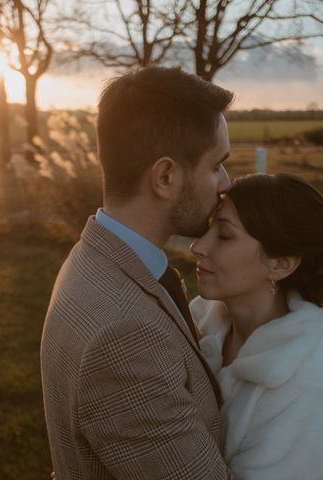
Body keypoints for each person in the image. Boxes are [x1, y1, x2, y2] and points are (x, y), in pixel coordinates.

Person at [41, 66, 234, 479]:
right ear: (165, 177)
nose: (226, 183)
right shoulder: (125, 338)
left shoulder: (92, 259)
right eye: (217, 165)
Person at [189, 173, 323, 480]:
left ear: (280, 264)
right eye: (208, 228)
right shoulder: (194, 327)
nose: (197, 246)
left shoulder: (312, 390)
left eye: (224, 236)